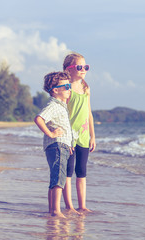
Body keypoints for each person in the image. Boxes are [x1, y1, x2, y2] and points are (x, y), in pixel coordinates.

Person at [34, 71, 74, 218]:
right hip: (57, 145)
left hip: (60, 145)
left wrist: (69, 144)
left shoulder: (61, 105)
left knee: (56, 177)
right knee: (58, 178)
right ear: (55, 90)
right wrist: (51, 134)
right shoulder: (54, 105)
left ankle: (52, 210)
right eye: (67, 86)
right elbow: (39, 119)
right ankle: (56, 210)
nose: (70, 89)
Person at [62, 52, 96, 213]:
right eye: (80, 67)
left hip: (83, 136)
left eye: (86, 67)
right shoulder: (66, 88)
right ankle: (69, 206)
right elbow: (61, 112)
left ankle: (82, 205)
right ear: (69, 70)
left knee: (81, 172)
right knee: (68, 171)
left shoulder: (86, 88)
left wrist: (92, 136)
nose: (84, 70)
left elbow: (89, 113)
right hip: (68, 136)